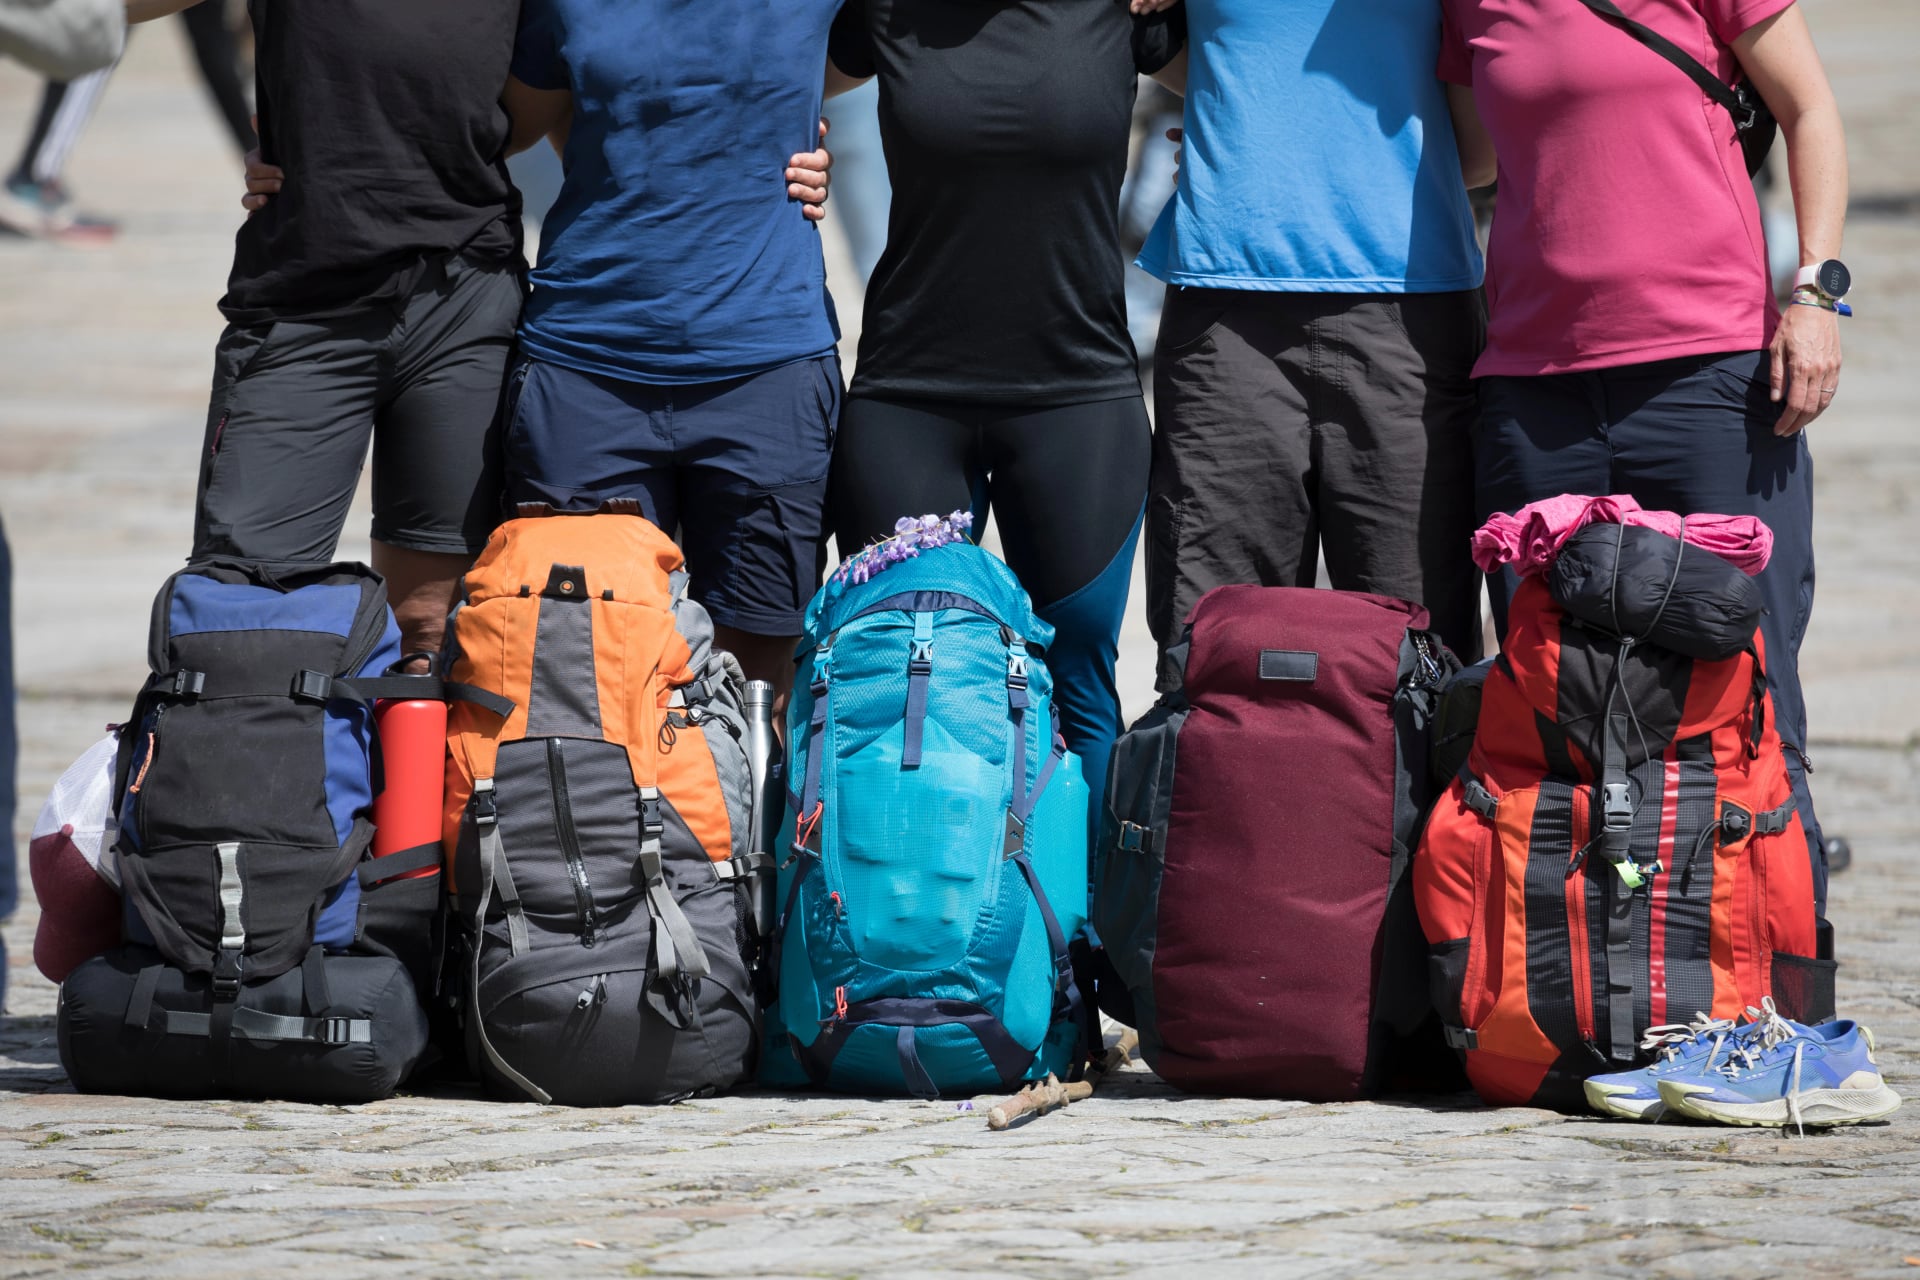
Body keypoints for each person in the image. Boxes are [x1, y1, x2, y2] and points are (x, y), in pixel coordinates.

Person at [1440, 0, 1848, 917]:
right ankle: (1568, 988)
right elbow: (1474, 154)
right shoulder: (1467, 6)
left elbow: (1809, 109)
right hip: (1533, 390)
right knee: (1547, 701)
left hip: (1708, 379)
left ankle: (1783, 987)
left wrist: (1817, 291)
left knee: (1754, 690)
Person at [821, 0, 1187, 809]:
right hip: (908, 397)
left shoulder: (1124, 10)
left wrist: (1222, 155)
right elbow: (758, 84)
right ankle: (905, 925)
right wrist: (795, 162)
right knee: (896, 672)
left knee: (1079, 686)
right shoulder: (885, 11)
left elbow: (1256, 78)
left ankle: (1080, 930)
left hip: (1077, 397)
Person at [498, 0, 845, 711]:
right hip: (587, 364)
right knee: (580, 680)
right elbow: (493, 120)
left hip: (764, 367)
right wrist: (293, 143)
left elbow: (923, 52)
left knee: (756, 696)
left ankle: (745, 826)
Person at [1135, 0, 1489, 686]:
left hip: (1406, 312)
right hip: (1229, 315)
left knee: (1420, 658)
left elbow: (1479, 148)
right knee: (1216, 648)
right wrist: (1238, 125)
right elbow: (1173, 44)